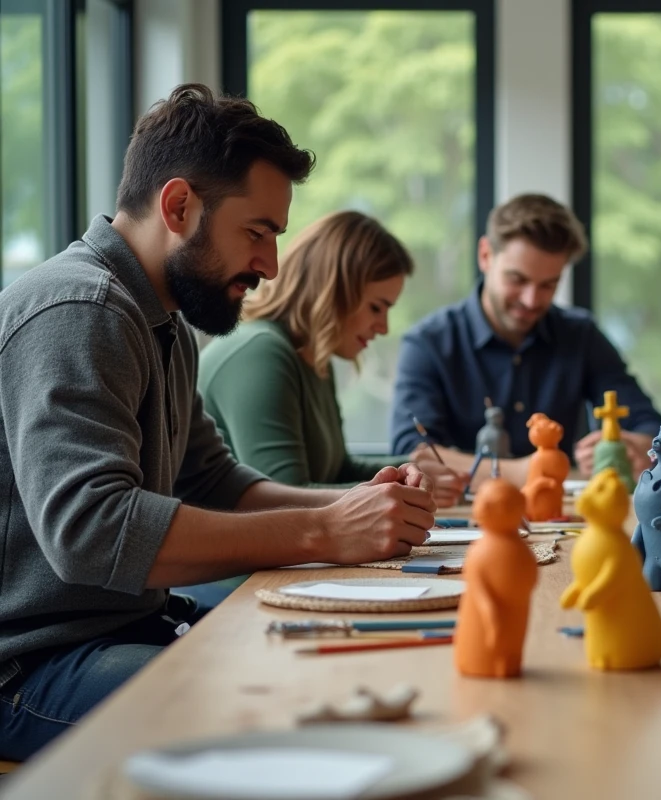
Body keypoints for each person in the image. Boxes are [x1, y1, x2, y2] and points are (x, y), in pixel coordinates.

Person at [0, 85, 437, 761]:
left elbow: (211, 478)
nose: (268, 266)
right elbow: (91, 531)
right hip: (33, 670)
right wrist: (325, 528)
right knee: (289, 707)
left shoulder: (159, 318)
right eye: (257, 233)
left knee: (347, 668)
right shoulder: (80, 309)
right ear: (178, 206)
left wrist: (356, 508)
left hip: (127, 633)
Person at [388, 193, 661, 482]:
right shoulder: (428, 343)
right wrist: (530, 470)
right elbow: (413, 452)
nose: (532, 300)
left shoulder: (580, 335)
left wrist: (634, 447)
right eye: (517, 280)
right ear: (485, 256)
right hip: (462, 520)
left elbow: (647, 423)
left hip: (561, 518)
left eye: (549, 284)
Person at [199, 210, 468, 506]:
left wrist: (410, 470)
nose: (384, 327)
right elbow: (283, 496)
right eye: (377, 308)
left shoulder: (312, 362)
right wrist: (396, 491)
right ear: (334, 291)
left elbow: (337, 470)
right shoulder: (260, 354)